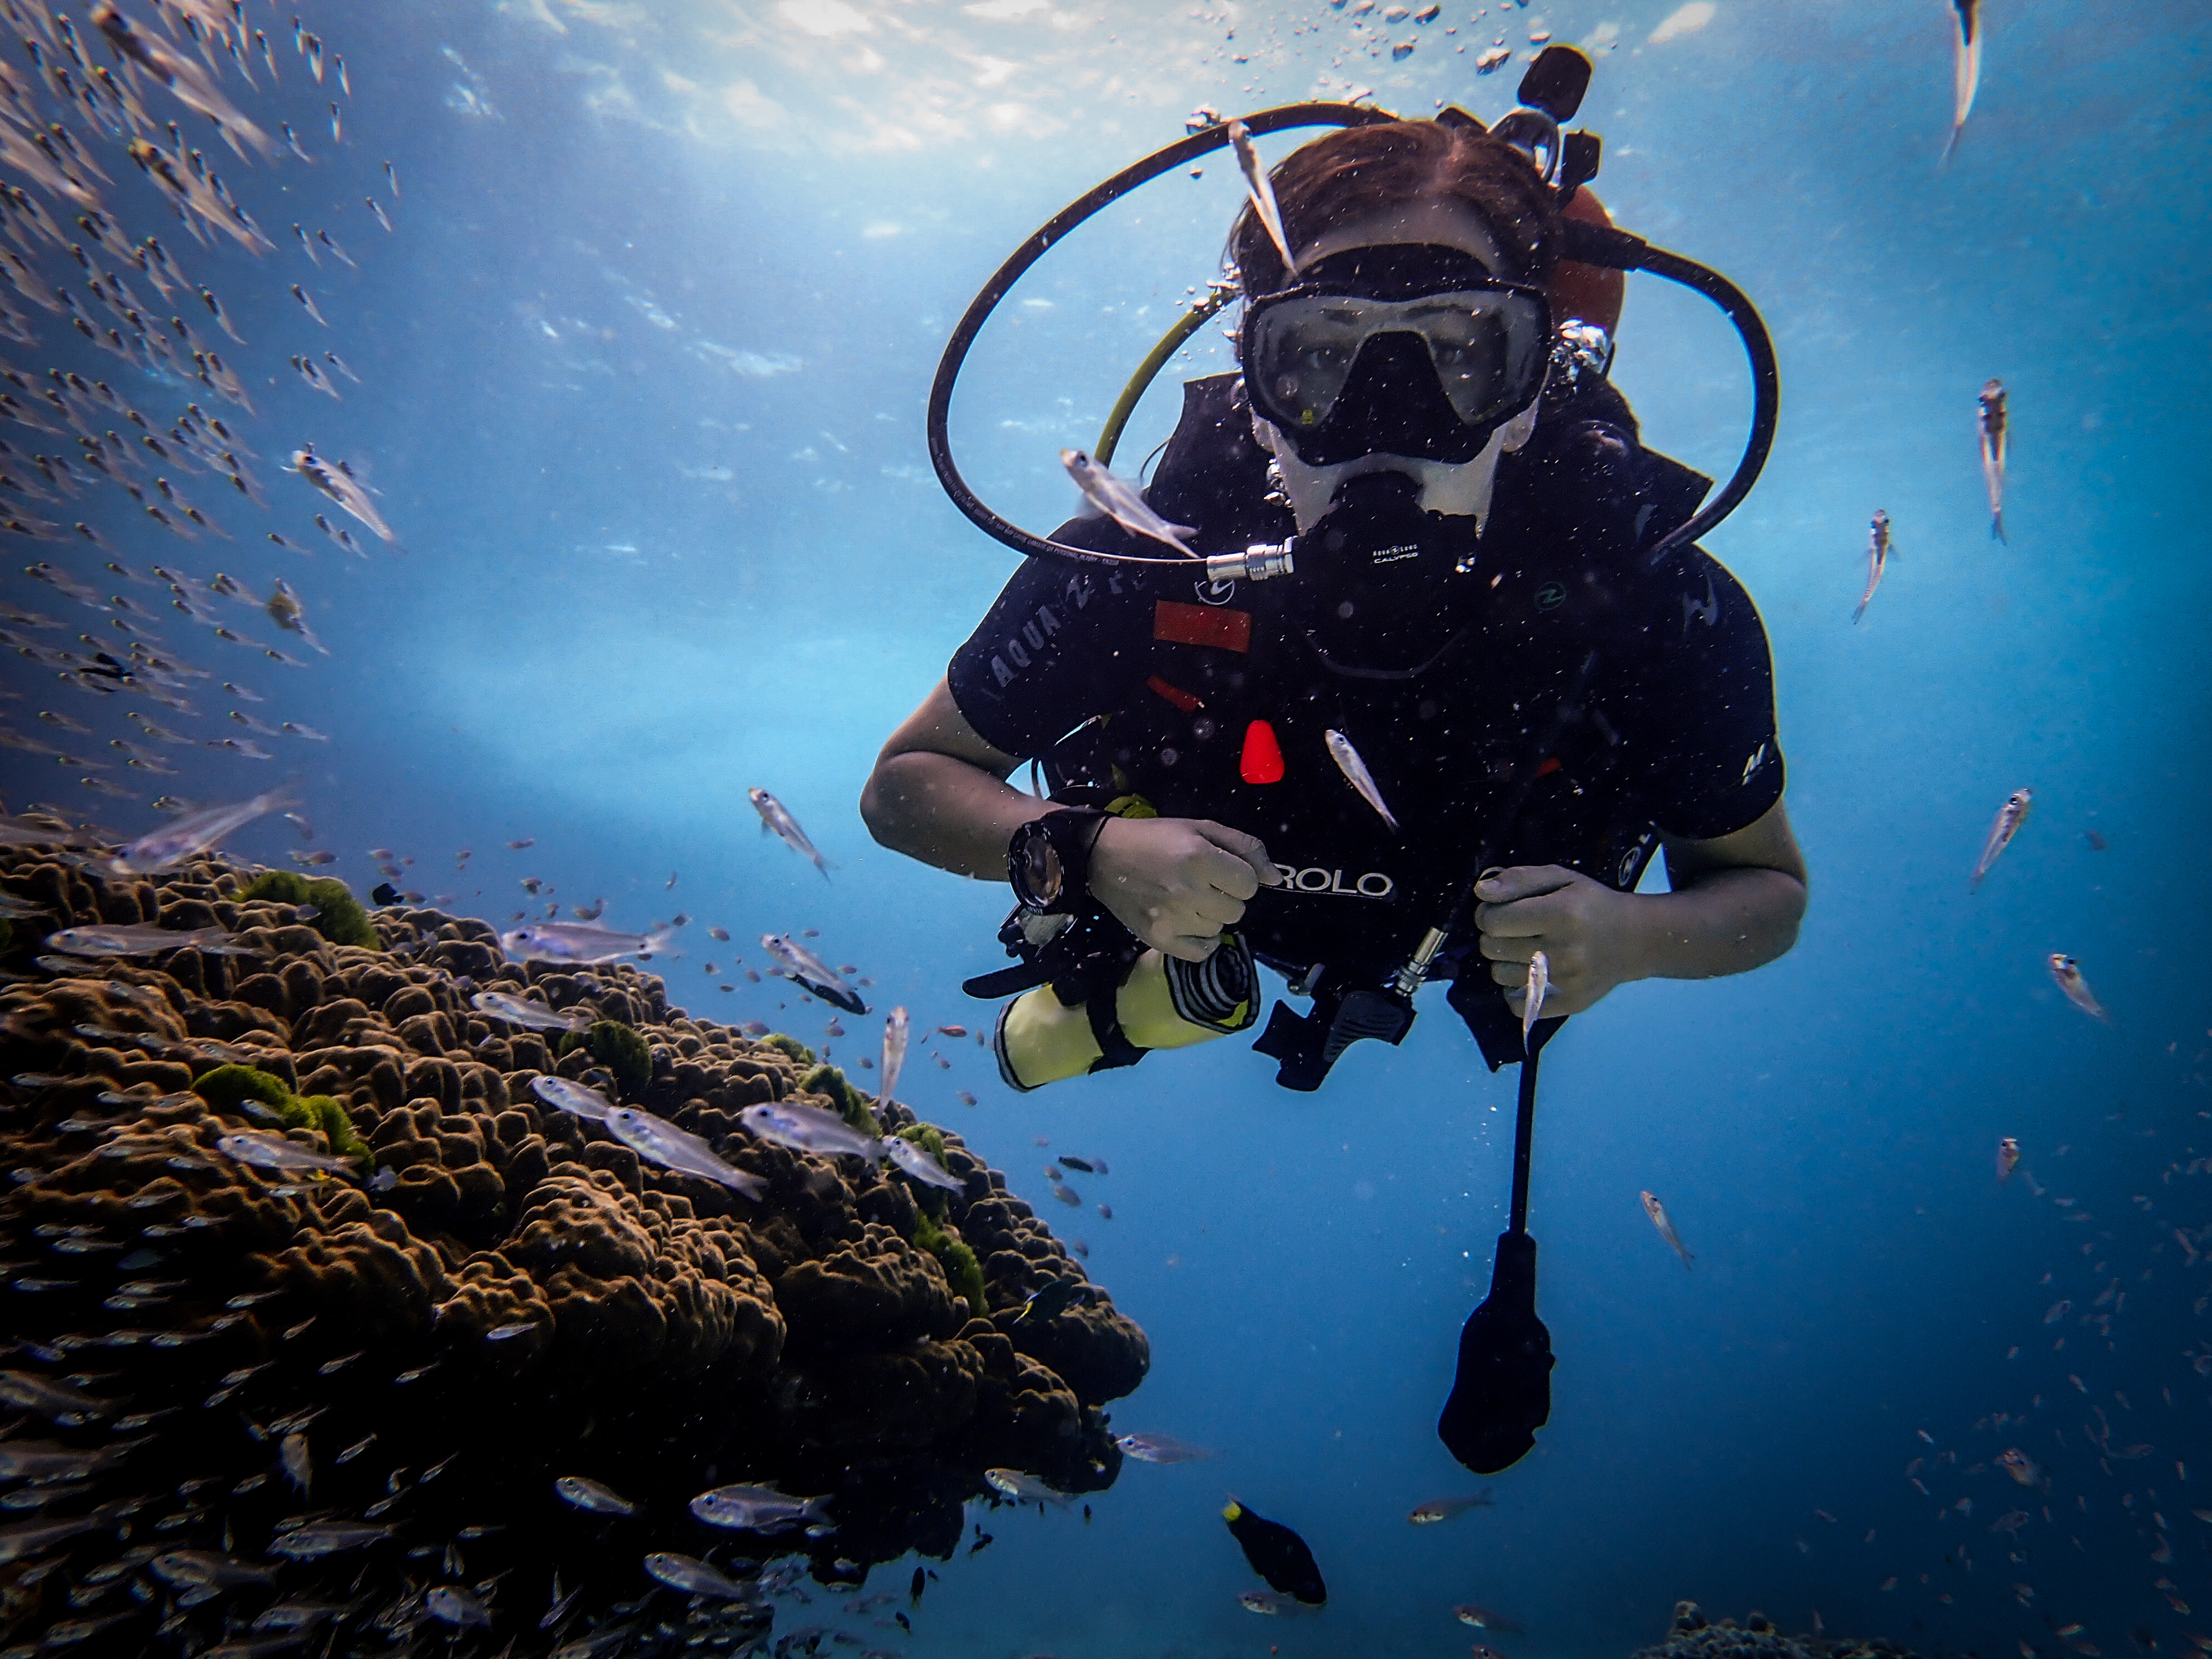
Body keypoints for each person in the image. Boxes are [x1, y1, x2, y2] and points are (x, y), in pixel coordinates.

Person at [862, 112, 1806, 1093]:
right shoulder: (1144, 564)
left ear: (1530, 389)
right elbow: (903, 784)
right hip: (1176, 923)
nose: (1385, 418)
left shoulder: (1656, 602)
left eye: (1461, 349)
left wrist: (1633, 938)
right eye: (1318, 354)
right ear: (1256, 391)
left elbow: (1766, 891)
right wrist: (1086, 849)